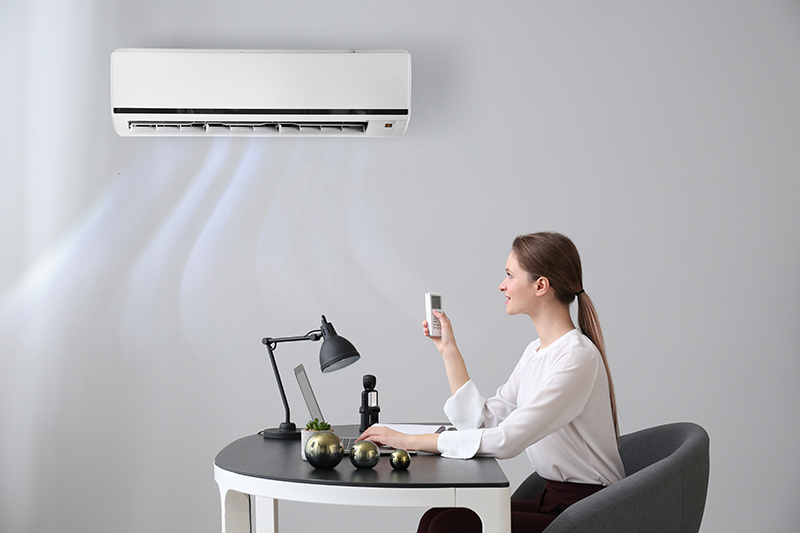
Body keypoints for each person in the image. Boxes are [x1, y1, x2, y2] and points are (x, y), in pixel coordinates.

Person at [357, 232, 624, 532]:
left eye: (510, 275)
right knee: (438, 516)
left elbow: (507, 440)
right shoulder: (535, 353)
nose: (502, 285)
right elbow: (481, 422)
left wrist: (409, 442)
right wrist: (449, 350)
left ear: (541, 285)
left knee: (451, 525)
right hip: (554, 500)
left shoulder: (576, 358)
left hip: (592, 512)